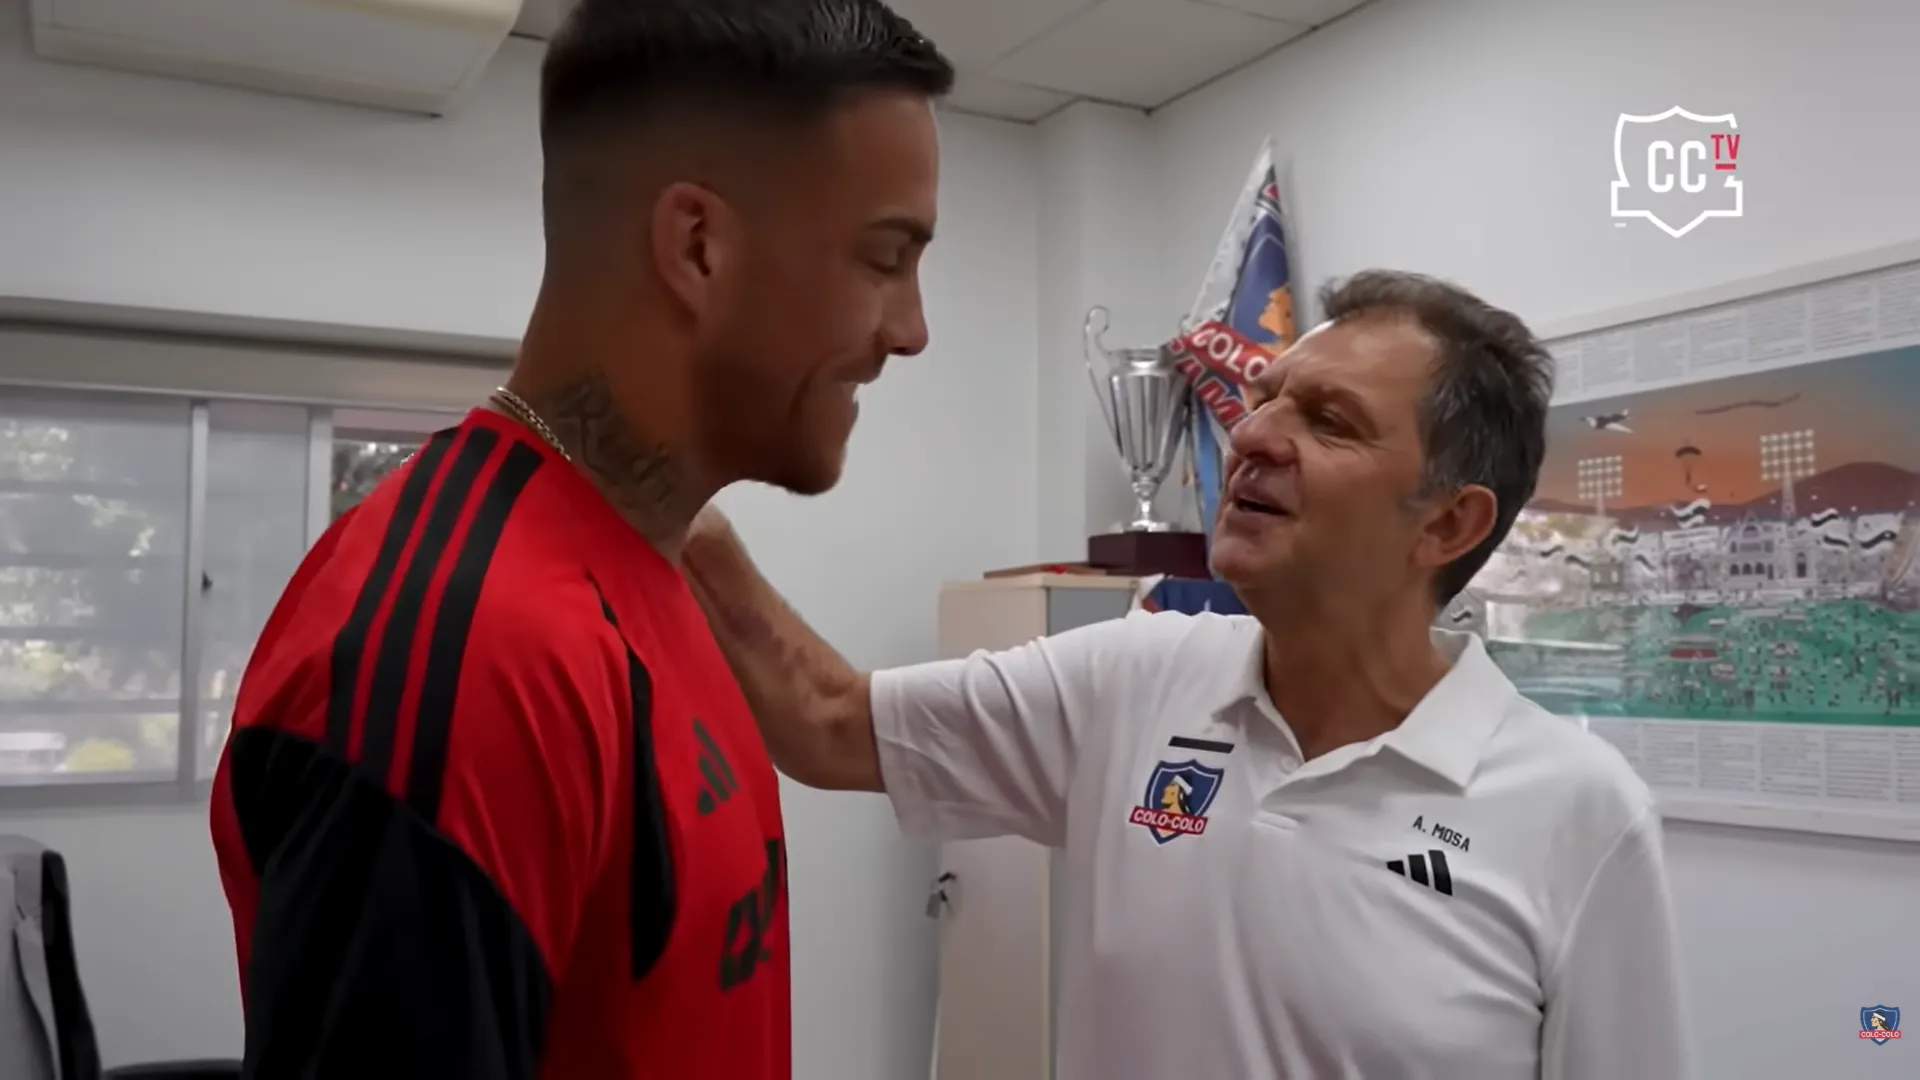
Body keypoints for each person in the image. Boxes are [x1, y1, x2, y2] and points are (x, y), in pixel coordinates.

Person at [684, 270, 1692, 1079]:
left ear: (1447, 523)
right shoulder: (1136, 680)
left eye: (1328, 421)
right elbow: (825, 722)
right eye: (1263, 400)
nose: (1253, 437)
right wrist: (684, 509)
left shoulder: (1579, 812)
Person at [207, 0, 952, 1075]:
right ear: (699, 246)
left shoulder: (663, 568)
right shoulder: (477, 660)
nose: (911, 331)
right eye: (886, 259)